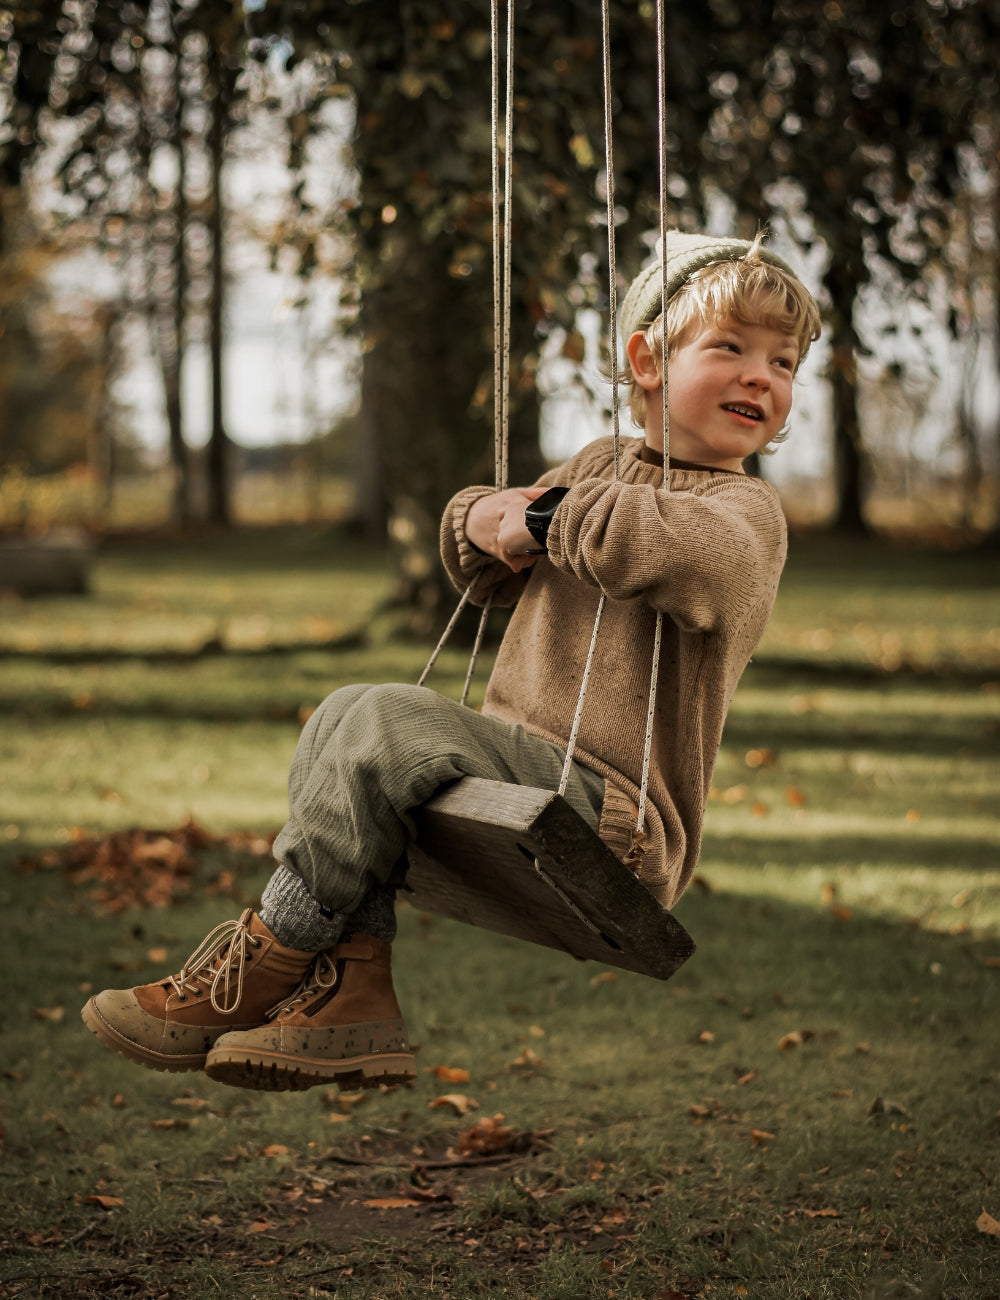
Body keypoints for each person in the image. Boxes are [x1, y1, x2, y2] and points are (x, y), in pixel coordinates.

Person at [82, 230, 821, 1093]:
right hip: (524, 773)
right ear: (646, 361)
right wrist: (478, 519)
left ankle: (272, 954)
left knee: (387, 721)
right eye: (730, 348)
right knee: (342, 714)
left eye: (783, 362)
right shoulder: (599, 466)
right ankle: (352, 993)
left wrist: (545, 519)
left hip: (615, 819)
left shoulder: (747, 513)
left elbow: (682, 556)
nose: (760, 377)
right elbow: (492, 555)